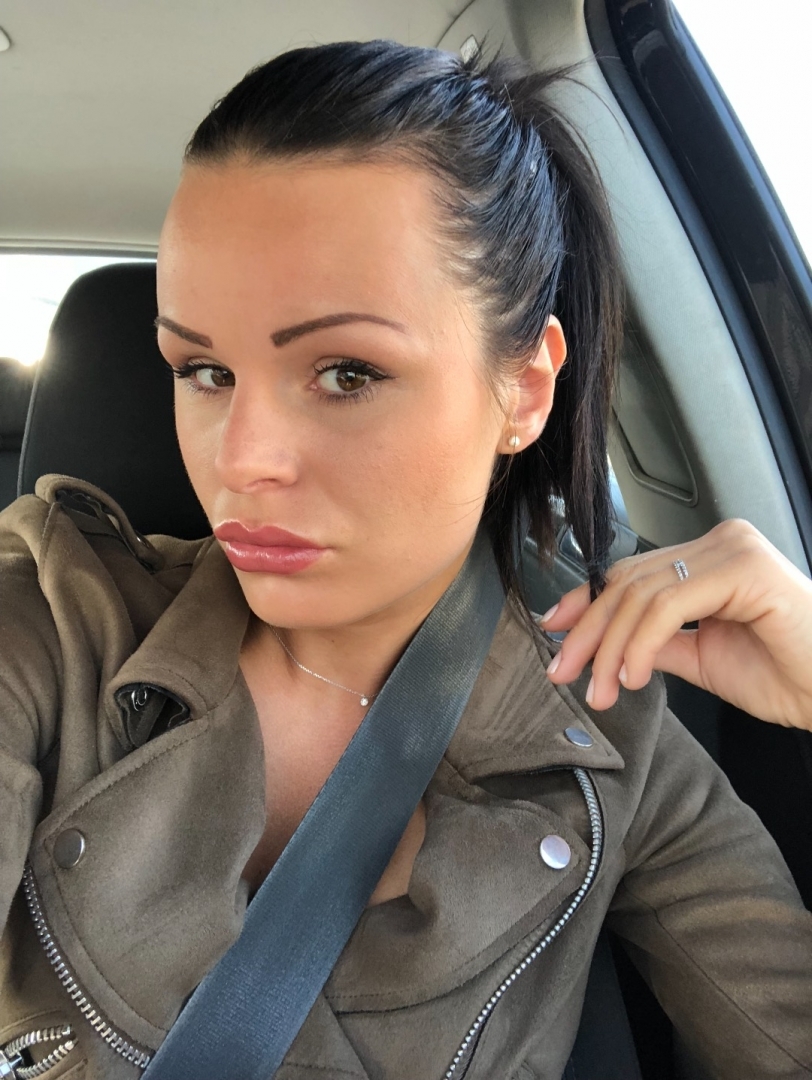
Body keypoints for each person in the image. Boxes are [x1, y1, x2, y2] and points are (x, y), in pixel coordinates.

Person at [0, 40, 810, 1080]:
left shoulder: (610, 738)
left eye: (346, 372)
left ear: (523, 391)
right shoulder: (52, 616)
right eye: (203, 369)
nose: (241, 461)